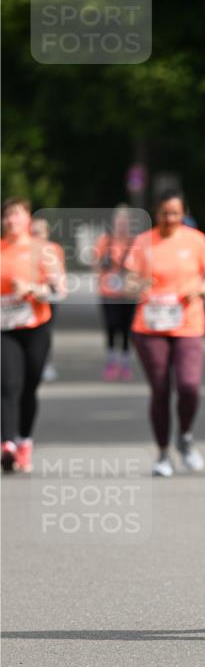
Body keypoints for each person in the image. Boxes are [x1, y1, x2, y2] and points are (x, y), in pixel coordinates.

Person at [125, 190, 205, 477]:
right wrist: (136, 285)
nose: (170, 219)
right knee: (161, 390)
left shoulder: (195, 240)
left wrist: (199, 290)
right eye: (165, 213)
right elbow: (128, 279)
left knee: (189, 385)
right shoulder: (144, 242)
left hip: (187, 323)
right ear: (156, 213)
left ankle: (186, 436)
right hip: (150, 326)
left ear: (183, 214)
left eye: (175, 213)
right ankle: (163, 452)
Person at [1, 198, 66, 472]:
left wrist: (32, 288)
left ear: (28, 219)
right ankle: (7, 445)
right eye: (7, 215)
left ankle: (24, 440)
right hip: (5, 328)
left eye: (17, 214)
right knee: (7, 385)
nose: (11, 220)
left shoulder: (46, 250)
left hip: (36, 326)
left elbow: (59, 290)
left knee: (29, 387)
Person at [93, 204, 136, 381]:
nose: (121, 224)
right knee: (111, 327)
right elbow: (95, 264)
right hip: (108, 292)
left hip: (128, 294)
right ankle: (111, 362)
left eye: (125, 221)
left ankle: (125, 364)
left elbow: (140, 266)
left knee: (126, 329)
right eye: (119, 221)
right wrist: (102, 277)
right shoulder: (105, 240)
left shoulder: (135, 242)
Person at [31, 216, 65, 383]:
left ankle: (46, 363)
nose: (37, 235)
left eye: (40, 232)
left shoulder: (54, 249)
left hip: (49, 296)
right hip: (29, 298)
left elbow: (59, 275)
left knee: (45, 331)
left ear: (47, 233)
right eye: (34, 231)